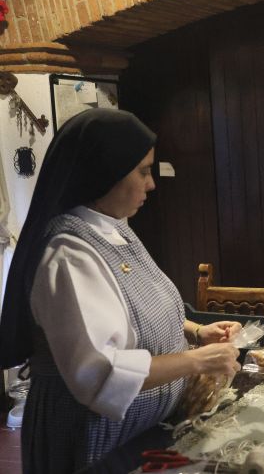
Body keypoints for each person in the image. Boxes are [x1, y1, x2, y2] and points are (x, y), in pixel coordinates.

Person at [0, 108, 242, 472]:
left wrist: (195, 332)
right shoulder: (68, 254)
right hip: (91, 440)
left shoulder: (115, 230)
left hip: (138, 430)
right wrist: (197, 361)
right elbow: (99, 375)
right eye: (143, 171)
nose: (151, 184)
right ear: (105, 172)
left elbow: (142, 313)